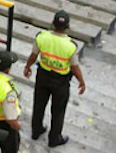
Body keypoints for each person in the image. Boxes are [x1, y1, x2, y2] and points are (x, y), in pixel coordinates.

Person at [23, 10, 87, 148]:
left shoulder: (41, 37)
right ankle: (54, 138)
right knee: (58, 111)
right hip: (61, 81)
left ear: (52, 23)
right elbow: (75, 67)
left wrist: (27, 66)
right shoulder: (70, 46)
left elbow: (33, 55)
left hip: (43, 76)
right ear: (68, 27)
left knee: (39, 104)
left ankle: (36, 130)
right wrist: (81, 81)